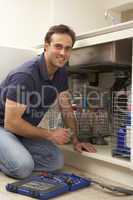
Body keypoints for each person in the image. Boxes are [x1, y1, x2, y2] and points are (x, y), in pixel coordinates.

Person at [0, 24, 96, 179]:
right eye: (58, 46)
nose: (63, 53)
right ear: (46, 46)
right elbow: (11, 123)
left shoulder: (61, 73)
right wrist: (50, 135)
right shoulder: (26, 76)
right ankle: (12, 157)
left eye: (67, 48)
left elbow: (66, 108)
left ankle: (11, 155)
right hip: (3, 127)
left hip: (21, 131)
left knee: (56, 162)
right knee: (23, 167)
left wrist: (76, 139)